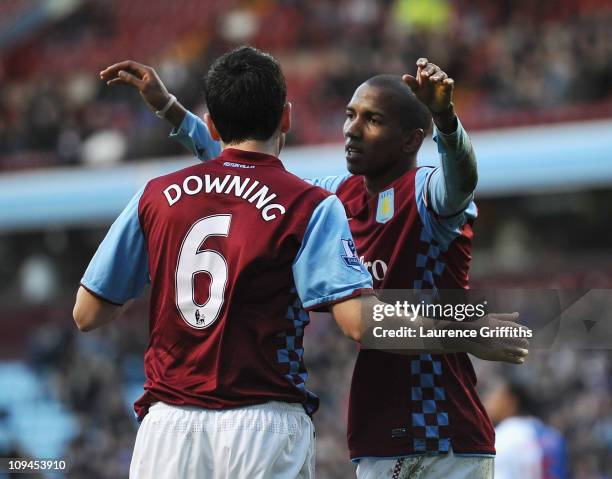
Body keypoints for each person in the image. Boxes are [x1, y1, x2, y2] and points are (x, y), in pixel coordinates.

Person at [98, 54, 529, 478]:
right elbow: (243, 165)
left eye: (372, 120)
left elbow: (461, 182)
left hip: (444, 430)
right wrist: (171, 109)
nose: (351, 130)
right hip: (378, 432)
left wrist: (446, 119)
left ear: (411, 140)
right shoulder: (331, 198)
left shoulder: (424, 193)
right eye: (349, 115)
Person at [485, 379, 568, 479]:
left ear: (509, 401)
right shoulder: (554, 438)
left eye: (493, 395)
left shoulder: (499, 440)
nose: (487, 401)